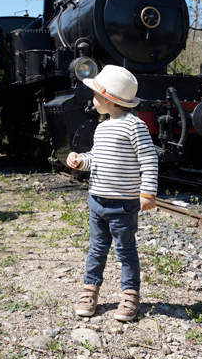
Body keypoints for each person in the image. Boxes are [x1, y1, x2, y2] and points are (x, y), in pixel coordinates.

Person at [65, 65, 158, 322]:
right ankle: (89, 290)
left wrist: (147, 192)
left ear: (108, 99)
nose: (92, 99)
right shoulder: (103, 127)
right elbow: (97, 158)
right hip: (97, 201)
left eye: (95, 95)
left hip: (123, 206)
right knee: (96, 249)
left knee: (125, 251)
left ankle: (130, 294)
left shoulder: (134, 126)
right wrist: (81, 161)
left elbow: (149, 160)